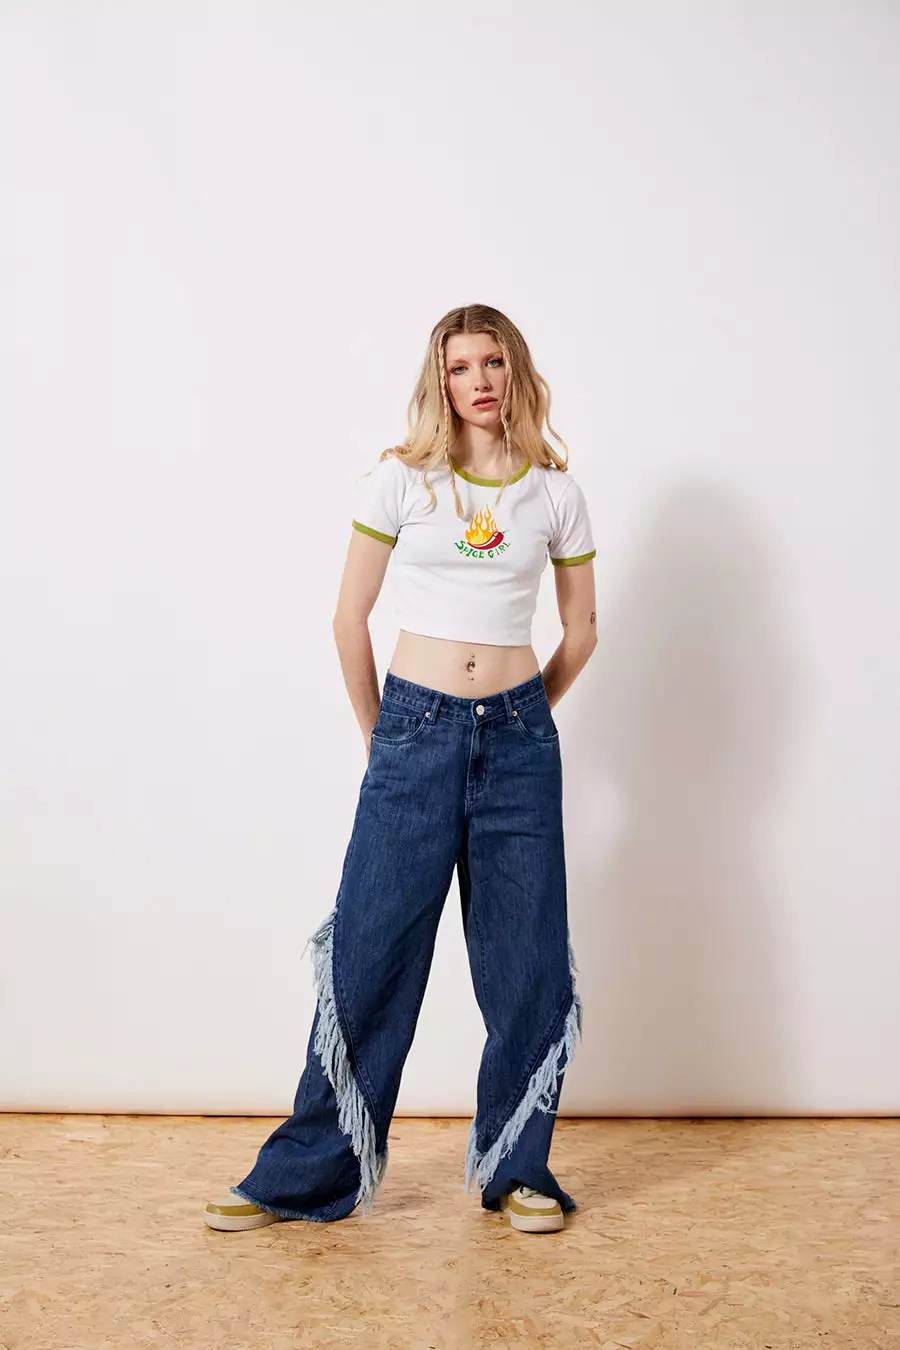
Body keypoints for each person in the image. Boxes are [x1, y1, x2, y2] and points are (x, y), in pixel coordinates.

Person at [204, 303, 597, 1236]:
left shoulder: (555, 492)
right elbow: (350, 618)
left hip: (519, 744)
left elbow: (582, 630)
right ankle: (303, 1175)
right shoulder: (400, 480)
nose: (480, 381)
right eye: (461, 367)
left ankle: (518, 1172)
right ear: (440, 380)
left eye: (493, 362)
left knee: (528, 960)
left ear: (517, 370)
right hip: (413, 731)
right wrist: (381, 732)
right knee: (370, 949)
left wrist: (524, 716)